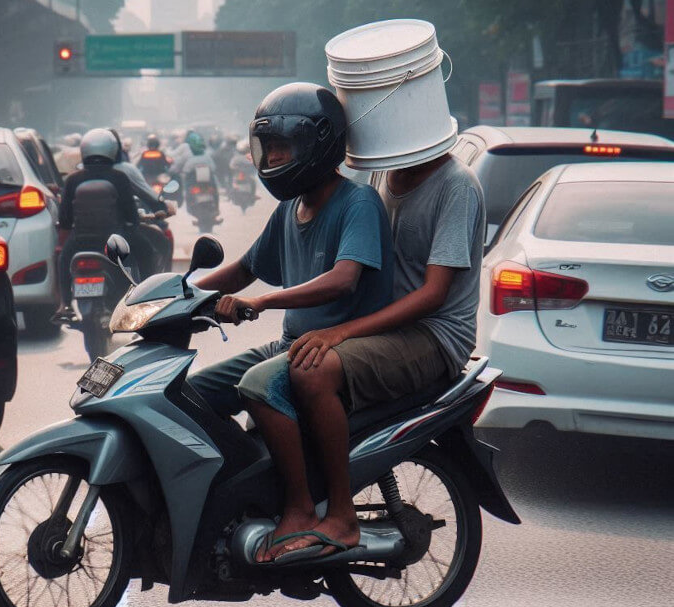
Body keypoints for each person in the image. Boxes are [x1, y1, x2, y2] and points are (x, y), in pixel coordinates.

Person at [242, 145, 486, 563]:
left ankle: (341, 515)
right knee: (257, 382)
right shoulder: (380, 175)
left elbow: (433, 294)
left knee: (312, 372)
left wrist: (339, 332)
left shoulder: (456, 185)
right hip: (383, 330)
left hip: (432, 335)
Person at [187, 83, 395, 552]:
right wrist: (176, 295)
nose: (274, 158)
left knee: (260, 384)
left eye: (283, 147)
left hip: (340, 346)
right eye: (269, 149)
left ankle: (300, 507)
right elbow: (244, 269)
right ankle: (250, 485)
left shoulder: (356, 202)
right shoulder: (290, 208)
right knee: (194, 393)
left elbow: (344, 279)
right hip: (292, 343)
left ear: (318, 143)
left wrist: (265, 302)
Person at [52, 128, 161, 323]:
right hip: (116, 240)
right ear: (112, 150)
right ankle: (146, 299)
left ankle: (65, 305)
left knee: (62, 259)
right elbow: (131, 216)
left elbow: (66, 219)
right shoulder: (119, 177)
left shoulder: (73, 179)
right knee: (147, 251)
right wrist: (132, 223)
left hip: (80, 241)